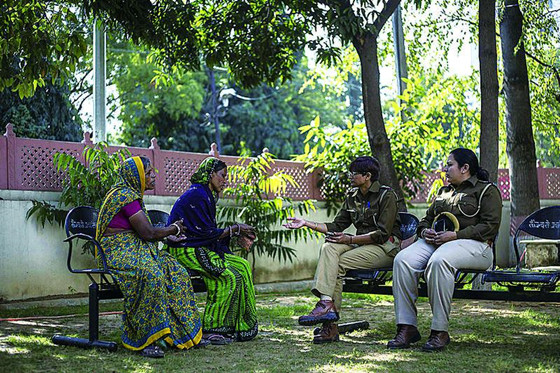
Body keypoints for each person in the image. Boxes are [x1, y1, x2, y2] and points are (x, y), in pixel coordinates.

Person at [387, 148, 502, 352]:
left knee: (440, 261)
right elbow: (425, 220)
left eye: (449, 164)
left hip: (477, 246)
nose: (445, 169)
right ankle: (407, 327)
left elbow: (490, 226)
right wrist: (425, 232)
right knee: (402, 260)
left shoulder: (486, 191)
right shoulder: (443, 192)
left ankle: (439, 331)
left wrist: (456, 235)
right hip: (437, 242)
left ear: (465, 168)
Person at [284, 156, 402, 343]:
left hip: (385, 247)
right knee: (329, 247)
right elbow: (337, 225)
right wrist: (306, 223)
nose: (350, 176)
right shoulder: (352, 196)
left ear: (367, 176)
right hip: (360, 244)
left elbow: (382, 233)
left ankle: (330, 326)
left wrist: (350, 238)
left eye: (354, 173)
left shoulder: (386, 195)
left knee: (336, 264)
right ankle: (326, 303)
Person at [96, 156, 203, 358]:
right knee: (151, 276)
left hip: (138, 250)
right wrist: (174, 228)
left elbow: (147, 234)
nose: (153, 176)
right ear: (136, 176)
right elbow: (148, 234)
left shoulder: (132, 196)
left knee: (177, 272)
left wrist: (169, 234)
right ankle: (146, 339)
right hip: (120, 253)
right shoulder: (125, 197)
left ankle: (184, 334)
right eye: (148, 173)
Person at [166, 157, 258, 343]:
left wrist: (236, 233)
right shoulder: (198, 195)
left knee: (242, 266)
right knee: (229, 275)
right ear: (210, 174)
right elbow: (205, 233)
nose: (225, 181)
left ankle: (240, 326)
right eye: (222, 176)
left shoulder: (206, 195)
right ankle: (211, 328)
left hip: (199, 246)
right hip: (185, 249)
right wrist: (235, 229)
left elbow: (206, 233)